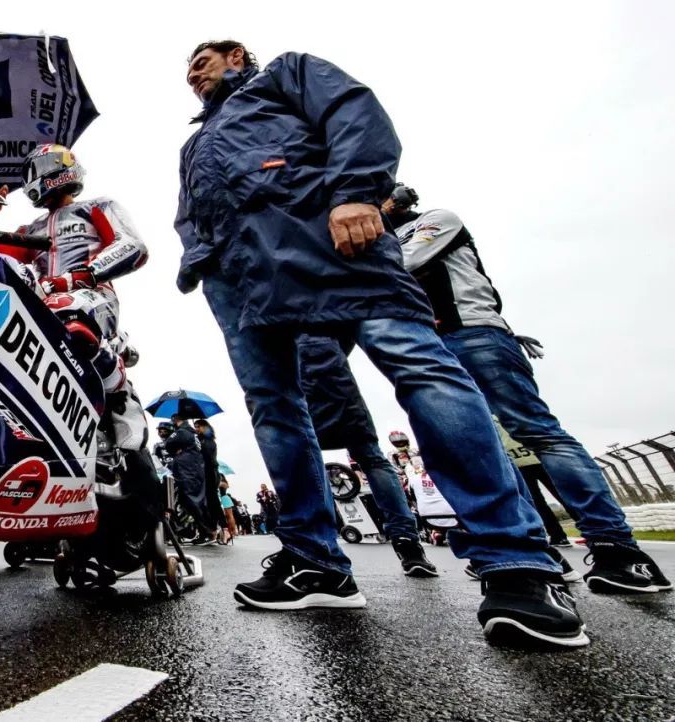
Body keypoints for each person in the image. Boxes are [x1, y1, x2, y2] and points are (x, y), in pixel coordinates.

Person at [175, 40, 587, 647]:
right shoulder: (194, 143)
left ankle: (517, 562)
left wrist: (354, 193)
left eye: (201, 62)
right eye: (187, 72)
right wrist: (199, 261)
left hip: (332, 237)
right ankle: (315, 561)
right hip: (241, 278)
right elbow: (191, 211)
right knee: (274, 408)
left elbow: (354, 111)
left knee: (421, 370)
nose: (192, 75)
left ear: (236, 54)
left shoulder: (286, 74)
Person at [391, 185, 669, 593]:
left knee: (538, 431)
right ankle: (535, 551)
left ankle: (619, 549)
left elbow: (405, 263)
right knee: (478, 448)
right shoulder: (380, 240)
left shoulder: (436, 220)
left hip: (475, 334)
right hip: (427, 347)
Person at [13, 144, 151, 452]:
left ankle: (120, 396)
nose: (36, 176)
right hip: (43, 304)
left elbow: (133, 246)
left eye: (42, 167)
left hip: (93, 296)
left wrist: (79, 276)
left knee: (66, 310)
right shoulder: (29, 229)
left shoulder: (98, 206)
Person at [297, 337, 437, 576]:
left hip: (300, 386)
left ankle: (315, 545)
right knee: (371, 459)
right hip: (332, 375)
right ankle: (406, 540)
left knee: (303, 465)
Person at [494, 416, 570, 547]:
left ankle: (558, 536)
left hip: (522, 461)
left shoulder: (493, 417)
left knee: (539, 502)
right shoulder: (512, 412)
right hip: (536, 458)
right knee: (561, 497)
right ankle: (583, 531)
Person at [161, 420, 216, 544]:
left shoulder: (182, 431)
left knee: (191, 500)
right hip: (193, 470)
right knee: (189, 500)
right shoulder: (194, 435)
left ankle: (207, 531)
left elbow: (169, 443)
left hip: (187, 470)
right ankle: (203, 531)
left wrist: (175, 451)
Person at [193, 419, 227, 538]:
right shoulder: (200, 440)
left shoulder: (208, 441)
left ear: (205, 427)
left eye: (198, 426)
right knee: (208, 502)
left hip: (210, 473)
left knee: (213, 502)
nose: (196, 429)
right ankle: (213, 528)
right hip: (204, 473)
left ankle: (224, 528)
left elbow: (208, 457)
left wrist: (198, 448)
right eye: (195, 426)